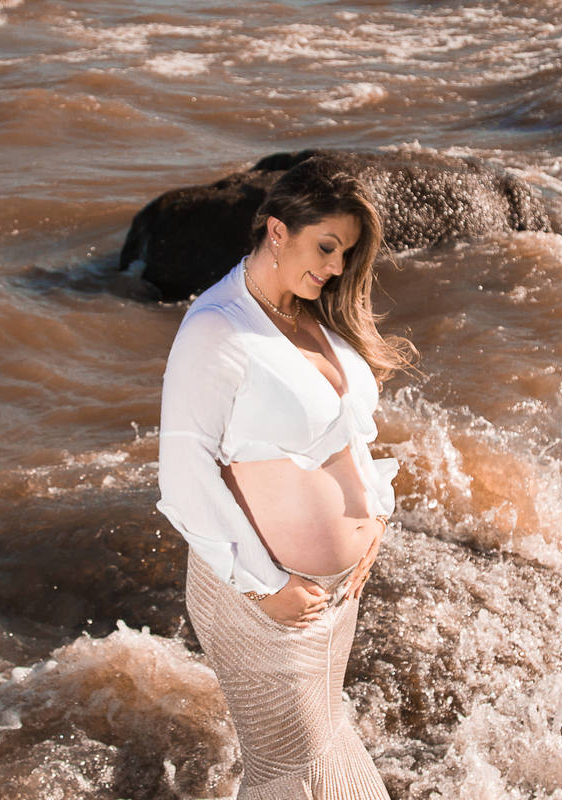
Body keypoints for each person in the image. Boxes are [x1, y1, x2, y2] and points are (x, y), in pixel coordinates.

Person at [156, 158, 416, 800]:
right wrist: (265, 586)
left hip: (330, 595)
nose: (334, 266)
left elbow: (350, 434)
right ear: (277, 230)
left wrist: (374, 516)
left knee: (323, 762)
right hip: (262, 599)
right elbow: (184, 473)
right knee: (294, 777)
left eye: (346, 253)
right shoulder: (219, 329)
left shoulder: (310, 311)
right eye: (326, 246)